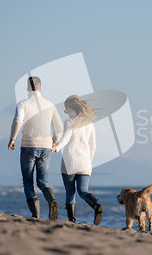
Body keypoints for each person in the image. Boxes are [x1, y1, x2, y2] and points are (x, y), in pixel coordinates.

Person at [8, 76, 63, 220]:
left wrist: (12, 138)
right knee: (42, 181)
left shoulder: (23, 104)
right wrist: (54, 141)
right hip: (46, 147)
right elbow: (60, 128)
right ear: (40, 88)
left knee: (28, 182)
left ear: (27, 89)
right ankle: (51, 200)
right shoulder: (50, 105)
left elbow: (17, 121)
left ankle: (35, 215)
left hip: (28, 146)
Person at [53, 95, 102, 225]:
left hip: (69, 163)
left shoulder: (69, 122)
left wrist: (56, 147)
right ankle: (96, 205)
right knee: (83, 191)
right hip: (85, 164)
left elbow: (66, 138)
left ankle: (72, 220)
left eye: (65, 109)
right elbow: (93, 146)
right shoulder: (90, 124)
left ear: (70, 108)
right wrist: (88, 161)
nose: (65, 112)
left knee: (70, 192)